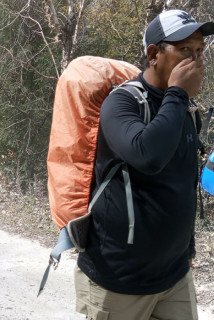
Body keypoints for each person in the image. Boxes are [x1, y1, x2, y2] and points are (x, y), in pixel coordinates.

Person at [74, 9, 214, 320]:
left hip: (175, 275)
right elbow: (147, 156)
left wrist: (187, 251)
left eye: (201, 51)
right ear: (153, 54)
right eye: (185, 50)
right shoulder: (122, 103)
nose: (197, 61)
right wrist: (177, 94)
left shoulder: (186, 109)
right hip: (120, 281)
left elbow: (180, 182)